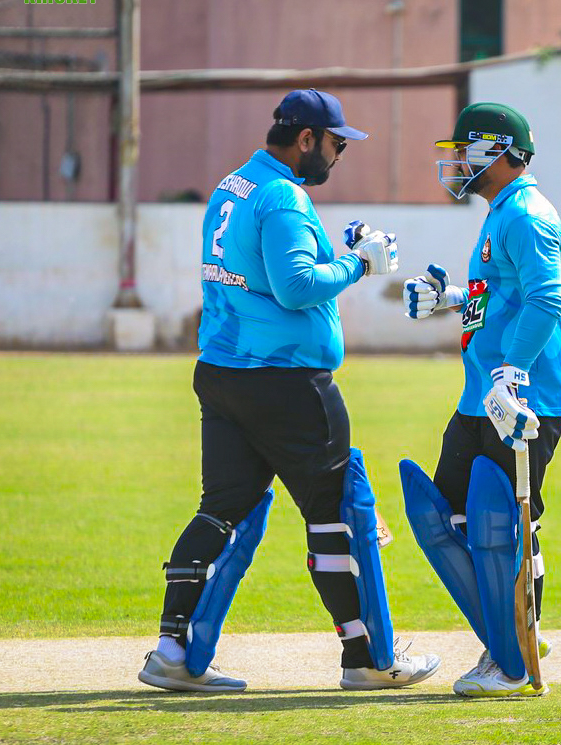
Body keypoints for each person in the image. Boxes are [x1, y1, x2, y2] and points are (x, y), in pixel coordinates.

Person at [139, 88, 440, 692]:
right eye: (335, 144)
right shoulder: (282, 195)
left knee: (221, 508)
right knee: (336, 517)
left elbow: (261, 270)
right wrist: (361, 265)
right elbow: (297, 287)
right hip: (287, 382)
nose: (338, 155)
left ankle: (172, 650)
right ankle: (366, 658)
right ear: (306, 138)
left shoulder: (233, 185)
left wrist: (342, 253)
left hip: (223, 372)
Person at [400, 102, 561, 698]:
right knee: (449, 517)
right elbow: (502, 295)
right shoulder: (501, 211)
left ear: (500, 151)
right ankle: (518, 632)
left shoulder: (527, 215)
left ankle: (509, 656)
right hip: (479, 397)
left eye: (466, 150)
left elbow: (546, 301)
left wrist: (513, 374)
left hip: (521, 397)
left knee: (504, 524)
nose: (457, 163)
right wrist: (451, 297)